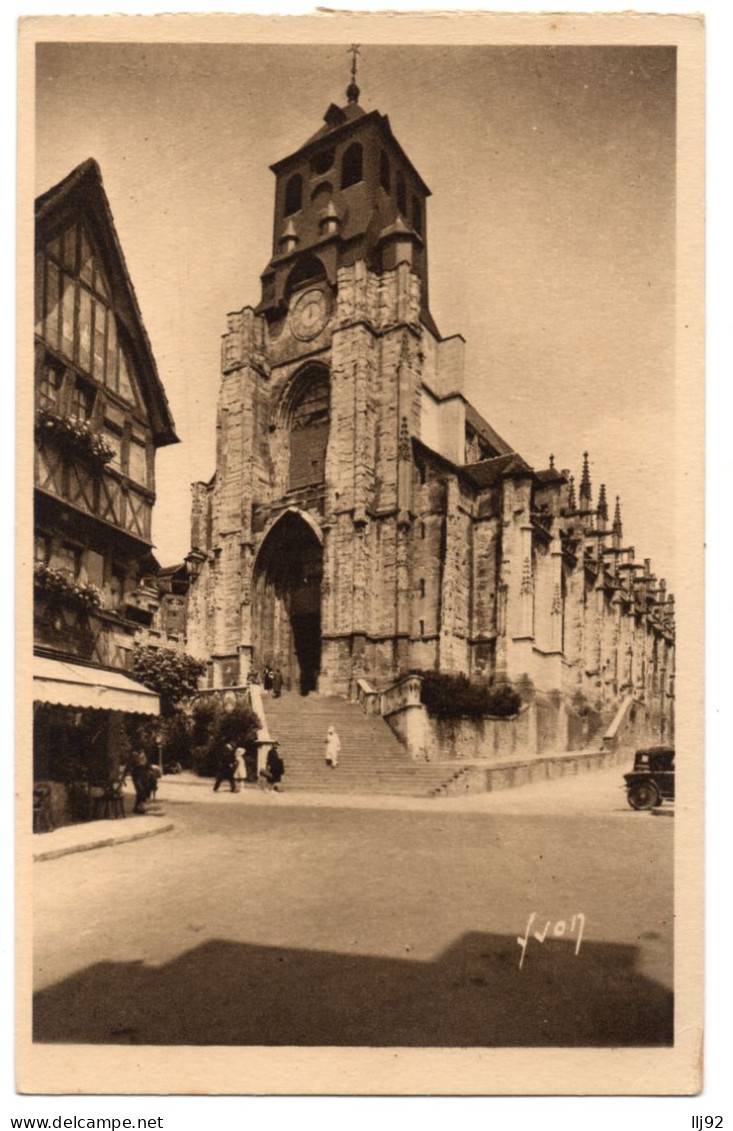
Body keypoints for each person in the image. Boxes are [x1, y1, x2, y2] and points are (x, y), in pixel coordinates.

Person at [124, 748, 151, 814]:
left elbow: (147, 765)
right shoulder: (133, 755)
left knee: (143, 791)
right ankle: (140, 807)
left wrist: (149, 773)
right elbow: (128, 766)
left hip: (144, 775)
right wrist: (123, 777)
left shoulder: (144, 755)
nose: (141, 750)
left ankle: (138, 808)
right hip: (136, 775)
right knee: (140, 790)